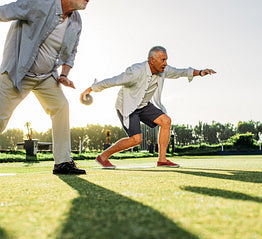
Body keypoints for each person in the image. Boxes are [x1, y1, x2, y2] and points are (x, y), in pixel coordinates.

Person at [0, 0, 100, 176]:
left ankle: (63, 162)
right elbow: (5, 11)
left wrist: (64, 74)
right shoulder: (38, 3)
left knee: (61, 107)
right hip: (18, 72)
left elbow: (72, 50)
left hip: (46, 76)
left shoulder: (77, 21)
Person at [81, 46, 216, 169]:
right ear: (152, 60)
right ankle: (103, 156)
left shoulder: (163, 70)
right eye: (163, 60)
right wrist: (89, 90)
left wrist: (200, 72)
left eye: (166, 60)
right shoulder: (135, 71)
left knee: (166, 121)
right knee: (136, 139)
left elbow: (180, 72)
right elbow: (113, 81)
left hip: (144, 105)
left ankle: (162, 159)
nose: (165, 63)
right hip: (128, 105)